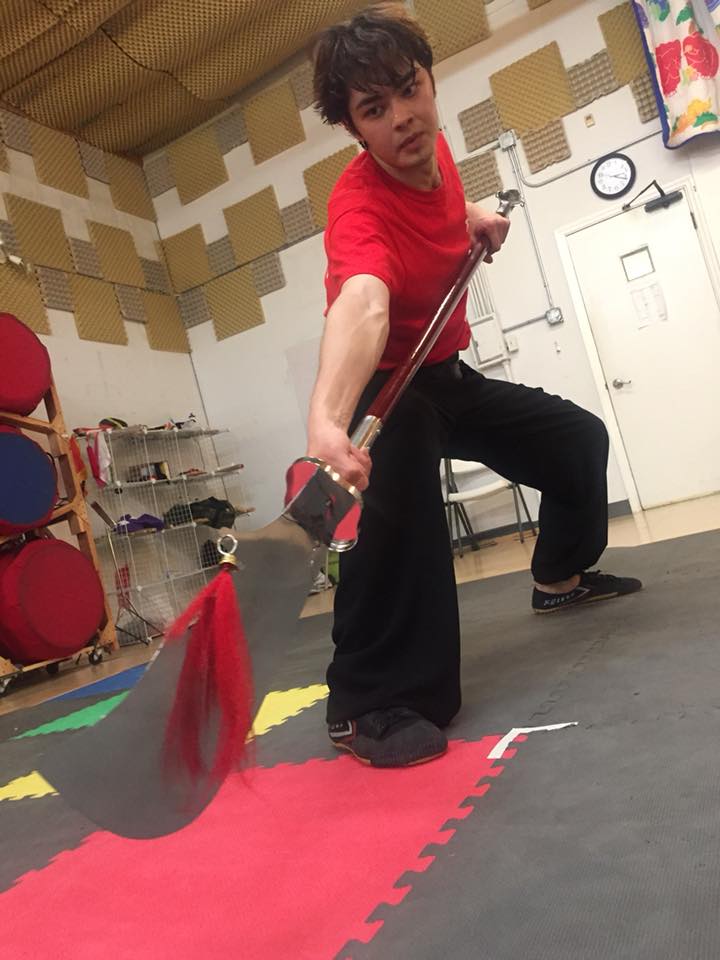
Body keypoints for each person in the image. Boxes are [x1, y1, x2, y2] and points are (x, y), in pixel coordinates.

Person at [305, 3, 642, 768]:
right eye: (374, 109)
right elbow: (365, 300)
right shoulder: (356, 205)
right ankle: (362, 704)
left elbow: (436, 207)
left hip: (447, 372)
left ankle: (558, 578)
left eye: (408, 89)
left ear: (428, 81)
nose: (402, 117)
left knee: (577, 441)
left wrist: (472, 218)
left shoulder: (432, 147)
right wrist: (327, 419)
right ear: (354, 129)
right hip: (387, 387)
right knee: (398, 508)